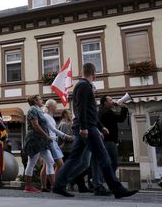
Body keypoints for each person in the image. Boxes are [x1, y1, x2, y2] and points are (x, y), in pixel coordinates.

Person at [53, 62, 138, 199]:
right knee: (103, 157)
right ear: (94, 73)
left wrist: (100, 126)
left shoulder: (85, 86)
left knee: (75, 158)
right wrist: (84, 127)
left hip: (88, 126)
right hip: (86, 127)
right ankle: (117, 188)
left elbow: (89, 110)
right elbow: (81, 109)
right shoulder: (83, 86)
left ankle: (59, 185)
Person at [22, 95, 55, 193]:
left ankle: (54, 186)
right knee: (31, 163)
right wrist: (46, 136)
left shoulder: (39, 110)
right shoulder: (32, 110)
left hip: (41, 140)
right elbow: (35, 125)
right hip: (34, 140)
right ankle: (28, 187)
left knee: (50, 161)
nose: (42, 100)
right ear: (35, 101)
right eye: (40, 99)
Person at [40, 99, 73, 192]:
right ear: (50, 107)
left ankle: (44, 186)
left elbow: (53, 129)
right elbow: (53, 129)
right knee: (60, 164)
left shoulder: (49, 116)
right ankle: (54, 185)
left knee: (47, 164)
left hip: (52, 141)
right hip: (51, 141)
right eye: (55, 105)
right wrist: (65, 135)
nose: (56, 107)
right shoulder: (46, 116)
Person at [98, 95, 128, 173]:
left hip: (106, 140)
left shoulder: (102, 110)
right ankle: (110, 181)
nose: (113, 101)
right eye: (110, 100)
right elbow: (121, 119)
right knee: (113, 163)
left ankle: (108, 180)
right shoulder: (107, 112)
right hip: (109, 141)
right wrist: (124, 107)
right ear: (105, 102)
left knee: (108, 162)